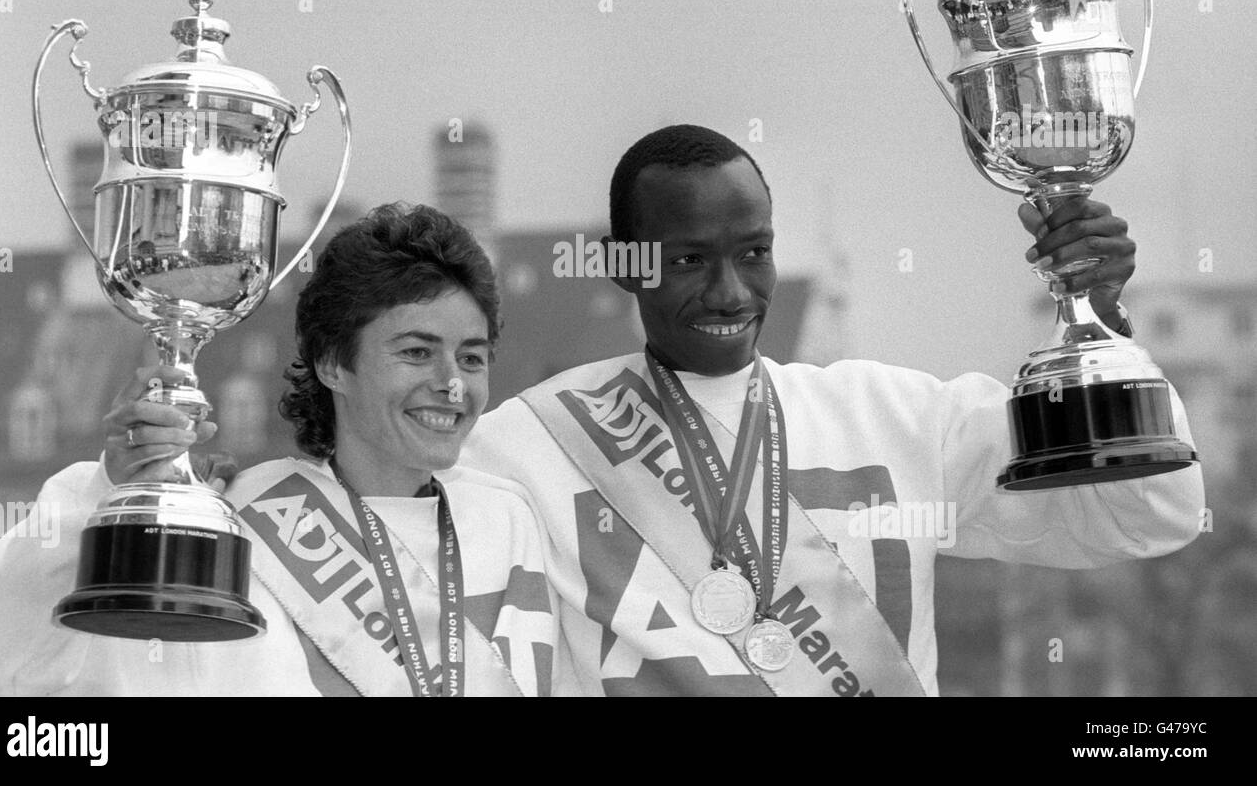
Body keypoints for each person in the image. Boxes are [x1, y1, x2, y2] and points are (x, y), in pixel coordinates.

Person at [457, 124, 1205, 696]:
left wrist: (1098, 324)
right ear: (626, 263)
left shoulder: (897, 419)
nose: (730, 292)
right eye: (688, 260)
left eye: (753, 252)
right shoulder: (523, 450)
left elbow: (1147, 510)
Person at [0, 203, 565, 696]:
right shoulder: (237, 526)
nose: (452, 383)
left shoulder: (511, 522)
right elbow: (12, 657)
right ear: (333, 362)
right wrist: (113, 488)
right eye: (415, 352)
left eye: (472, 357)